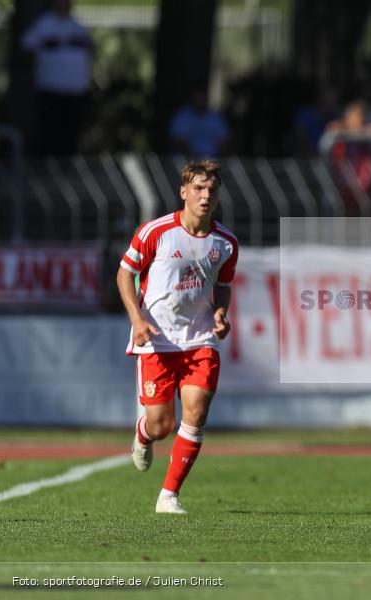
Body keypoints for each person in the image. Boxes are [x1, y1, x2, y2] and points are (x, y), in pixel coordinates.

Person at [116, 160, 238, 514]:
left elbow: (224, 286)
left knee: (196, 411)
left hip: (200, 339)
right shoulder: (156, 231)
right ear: (183, 192)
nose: (205, 195)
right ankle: (143, 433)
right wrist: (137, 320)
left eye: (211, 190)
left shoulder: (225, 242)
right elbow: (125, 275)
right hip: (156, 339)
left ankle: (168, 496)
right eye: (198, 188)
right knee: (161, 425)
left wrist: (220, 313)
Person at [22, 0, 92, 156]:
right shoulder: (44, 23)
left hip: (75, 89)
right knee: (49, 130)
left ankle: (66, 165)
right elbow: (27, 48)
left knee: (71, 131)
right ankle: (46, 165)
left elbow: (88, 46)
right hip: (50, 89)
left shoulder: (77, 25)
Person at [169, 89, 230, 158]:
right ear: (192, 97)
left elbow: (224, 141)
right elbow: (178, 141)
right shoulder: (182, 116)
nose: (200, 100)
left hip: (212, 161)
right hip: (186, 161)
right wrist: (194, 158)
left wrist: (219, 159)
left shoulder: (215, 116)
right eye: (198, 97)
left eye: (202, 97)